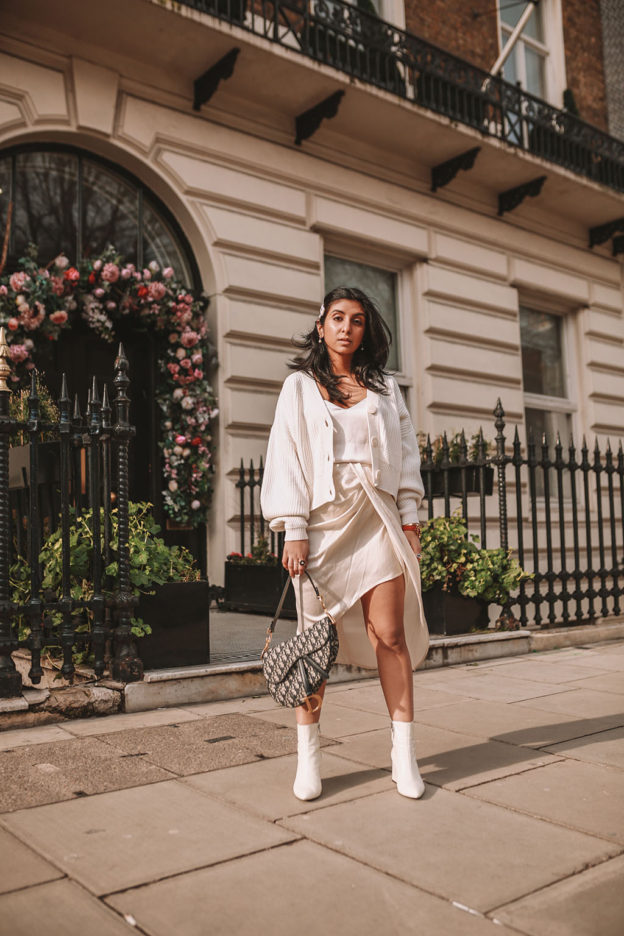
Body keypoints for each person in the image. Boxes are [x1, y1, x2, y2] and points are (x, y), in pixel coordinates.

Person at [261, 286, 429, 801]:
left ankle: (403, 755)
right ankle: (309, 758)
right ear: (320, 325)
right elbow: (285, 453)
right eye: (337, 318)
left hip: (377, 518)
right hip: (324, 525)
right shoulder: (298, 386)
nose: (346, 328)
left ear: (364, 330)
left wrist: (409, 514)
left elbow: (404, 452)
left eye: (356, 320)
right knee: (313, 646)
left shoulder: (385, 387)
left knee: (390, 635)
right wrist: (293, 527)